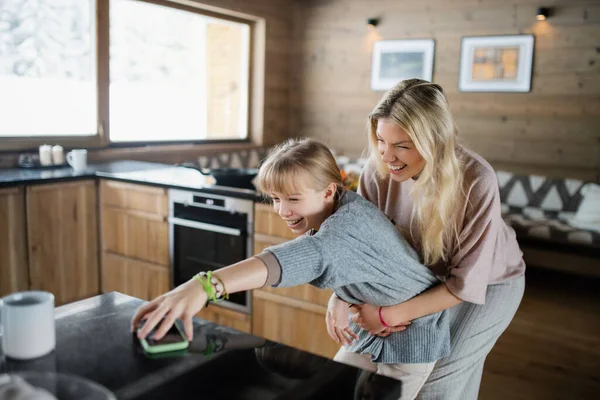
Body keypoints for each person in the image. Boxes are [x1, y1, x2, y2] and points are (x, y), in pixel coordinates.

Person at [132, 138, 451, 399]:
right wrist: (341, 298)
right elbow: (359, 264)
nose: (282, 210)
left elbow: (293, 258)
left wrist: (204, 286)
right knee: (331, 390)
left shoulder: (347, 226)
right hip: (369, 330)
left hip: (410, 340)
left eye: (293, 199)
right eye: (275, 198)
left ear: (328, 190)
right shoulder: (340, 207)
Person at [325, 78, 526, 400]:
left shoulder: (476, 179)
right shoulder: (376, 173)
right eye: (380, 140)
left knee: (440, 382)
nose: (387, 156)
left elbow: (464, 284)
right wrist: (340, 298)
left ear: (435, 140)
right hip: (419, 281)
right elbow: (356, 247)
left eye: (402, 145)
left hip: (488, 283)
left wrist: (386, 315)